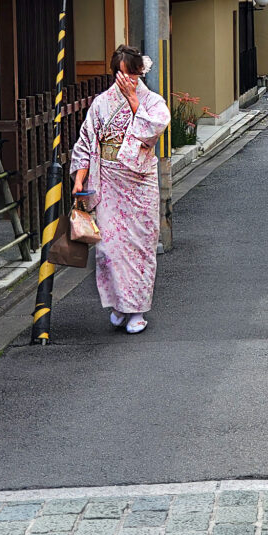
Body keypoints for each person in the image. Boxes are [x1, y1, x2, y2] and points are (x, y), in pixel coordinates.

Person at [70, 45, 171, 335]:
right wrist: (80, 178)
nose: (127, 80)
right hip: (109, 180)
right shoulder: (101, 103)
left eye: (132, 75)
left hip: (139, 183)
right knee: (109, 248)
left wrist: (134, 101)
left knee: (139, 246)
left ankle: (137, 309)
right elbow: (87, 142)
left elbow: (155, 129)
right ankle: (118, 304)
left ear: (140, 72)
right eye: (122, 74)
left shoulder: (152, 101)